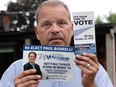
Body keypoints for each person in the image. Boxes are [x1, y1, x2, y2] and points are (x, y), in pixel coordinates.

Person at [0, 0, 113, 87]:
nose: (55, 30)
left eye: (61, 23)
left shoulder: (95, 71)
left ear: (72, 29)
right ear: (37, 32)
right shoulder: (15, 71)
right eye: (47, 24)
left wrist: (90, 85)